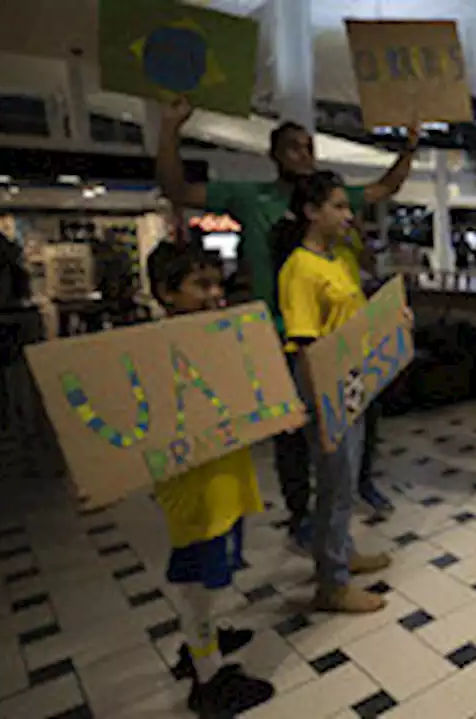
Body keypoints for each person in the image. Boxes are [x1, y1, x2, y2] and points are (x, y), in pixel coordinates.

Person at [155, 97, 419, 545]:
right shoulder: (253, 198)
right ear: (275, 155)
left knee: (359, 419)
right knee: (296, 430)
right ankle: (303, 516)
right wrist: (169, 129)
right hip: (282, 332)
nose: (304, 154)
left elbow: (383, 189)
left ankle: (353, 493)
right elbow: (177, 190)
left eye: (309, 147)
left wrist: (410, 148)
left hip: (343, 334)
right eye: (294, 147)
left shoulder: (329, 207)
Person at [144, 242, 274, 716]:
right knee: (200, 577)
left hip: (221, 473)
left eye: (218, 283)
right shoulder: (157, 351)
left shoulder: (212, 338)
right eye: (201, 285)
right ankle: (208, 676)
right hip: (197, 486)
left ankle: (200, 643)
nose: (216, 294)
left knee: (202, 568)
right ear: (165, 292)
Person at [274, 171, 401, 613]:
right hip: (324, 384)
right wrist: (321, 413)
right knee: (332, 482)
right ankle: (332, 582)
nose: (349, 215)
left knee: (346, 480)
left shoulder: (339, 259)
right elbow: (305, 344)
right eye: (339, 207)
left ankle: (341, 553)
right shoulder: (299, 269)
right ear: (312, 212)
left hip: (352, 379)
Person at [334, 221, 393, 516]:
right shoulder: (304, 263)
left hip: (360, 352)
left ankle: (363, 483)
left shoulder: (346, 246)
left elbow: (370, 269)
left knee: (366, 421)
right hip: (334, 359)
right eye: (339, 207)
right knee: (342, 438)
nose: (347, 216)